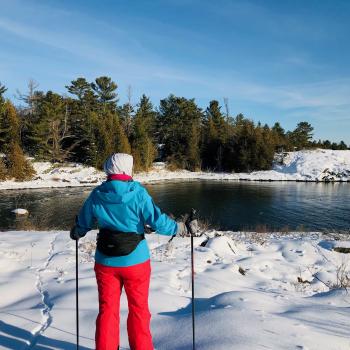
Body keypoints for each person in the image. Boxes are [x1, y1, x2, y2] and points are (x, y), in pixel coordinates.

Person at [70, 153, 189, 350]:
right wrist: (180, 228)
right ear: (127, 169)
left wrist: (77, 231)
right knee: (139, 310)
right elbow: (158, 222)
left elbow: (83, 223)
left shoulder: (97, 194)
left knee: (107, 311)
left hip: (105, 261)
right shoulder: (138, 193)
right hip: (136, 261)